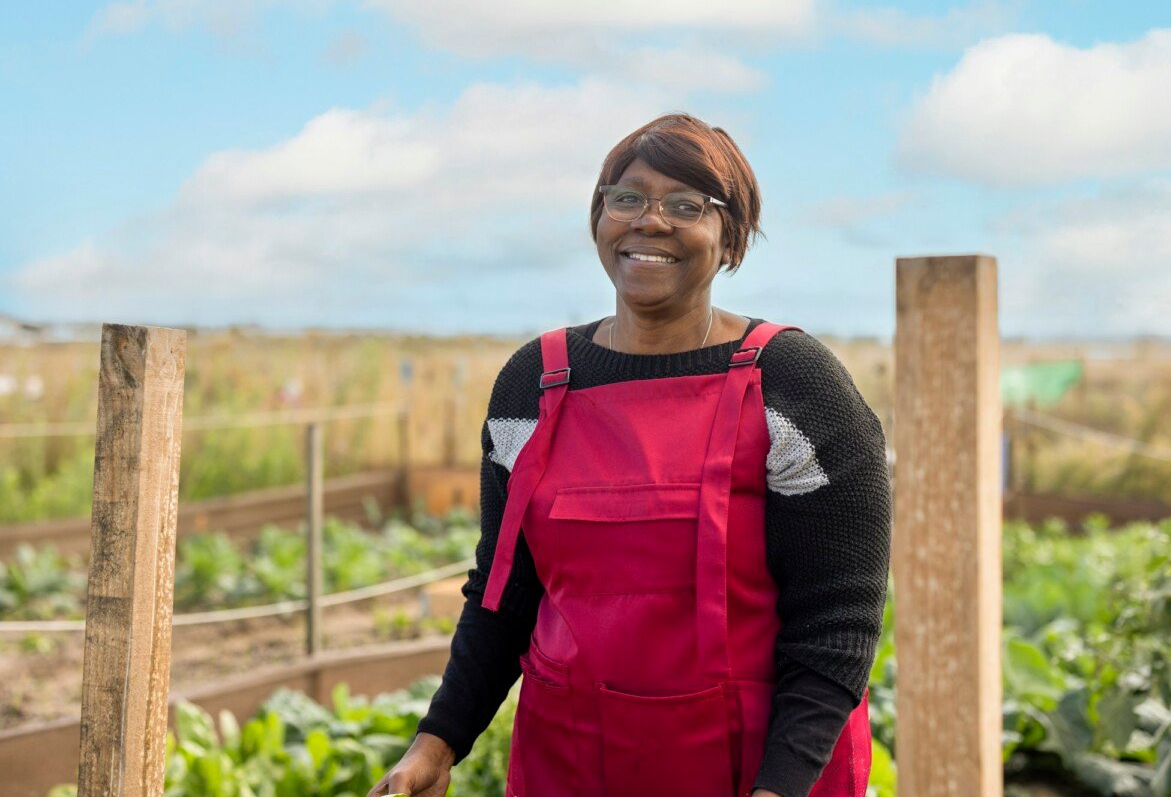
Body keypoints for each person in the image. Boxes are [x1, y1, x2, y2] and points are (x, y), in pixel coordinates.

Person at [367, 113, 892, 797]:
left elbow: (837, 617)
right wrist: (436, 745)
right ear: (598, 217)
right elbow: (504, 592)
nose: (651, 221)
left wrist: (780, 786)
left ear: (730, 237)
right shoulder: (534, 382)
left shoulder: (792, 384)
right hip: (572, 761)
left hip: (756, 767)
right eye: (628, 198)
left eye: (686, 205)